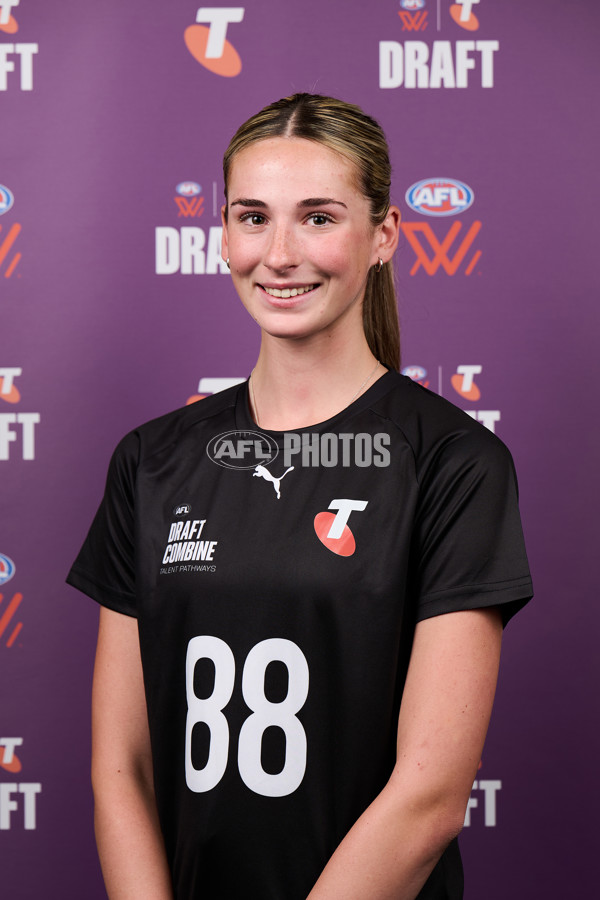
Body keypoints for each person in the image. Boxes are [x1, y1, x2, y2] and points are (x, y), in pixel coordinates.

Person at [67, 93, 532, 899]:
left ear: (383, 236)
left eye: (319, 218)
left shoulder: (455, 463)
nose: (279, 253)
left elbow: (429, 802)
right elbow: (123, 768)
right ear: (222, 234)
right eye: (253, 217)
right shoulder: (152, 461)